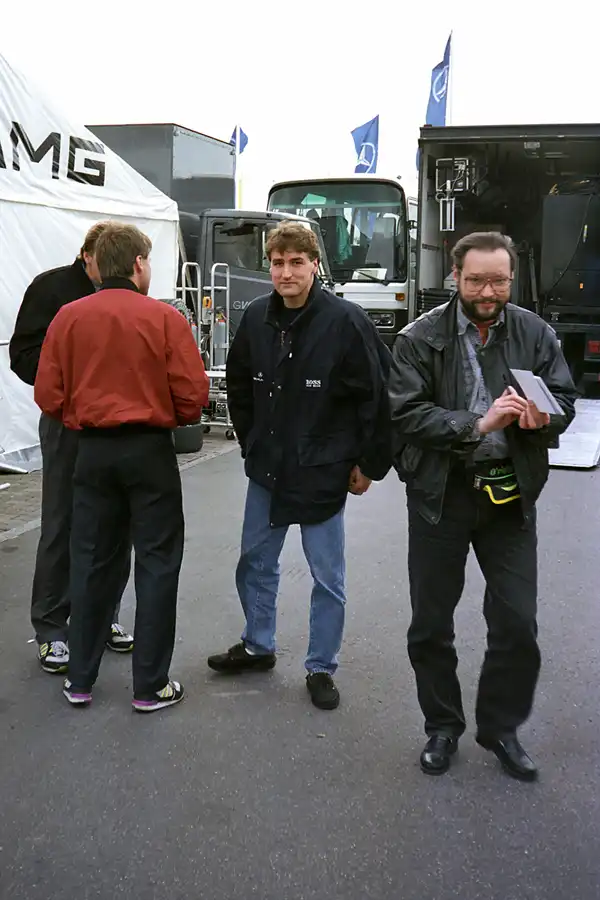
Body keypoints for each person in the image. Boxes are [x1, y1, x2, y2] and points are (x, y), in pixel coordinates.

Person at [389, 231, 578, 780]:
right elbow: (403, 413)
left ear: (512, 277)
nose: (488, 291)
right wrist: (477, 423)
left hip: (510, 496)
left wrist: (547, 418)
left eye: (498, 280)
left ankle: (500, 727)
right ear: (455, 276)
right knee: (431, 623)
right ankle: (442, 727)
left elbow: (564, 398)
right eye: (476, 280)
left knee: (517, 621)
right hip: (439, 496)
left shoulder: (534, 333)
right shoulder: (418, 338)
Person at [207, 222, 392, 710]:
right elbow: (240, 386)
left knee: (327, 578)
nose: (285, 272)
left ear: (315, 264)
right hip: (267, 469)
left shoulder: (346, 322)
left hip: (322, 472)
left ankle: (320, 666)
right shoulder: (255, 319)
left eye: (296, 262)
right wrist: (250, 443)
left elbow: (377, 397)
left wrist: (370, 463)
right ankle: (257, 644)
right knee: (254, 564)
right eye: (277, 262)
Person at [34, 223, 209, 713]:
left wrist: (82, 414)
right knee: (157, 562)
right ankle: (150, 685)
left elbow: (48, 395)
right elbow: (193, 397)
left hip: (90, 451)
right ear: (137, 264)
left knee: (89, 560)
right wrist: (162, 413)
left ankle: (80, 679)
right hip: (149, 450)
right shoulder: (164, 318)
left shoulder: (68, 318)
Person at [9, 222, 134, 674]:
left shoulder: (125, 289)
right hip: (67, 422)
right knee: (61, 521)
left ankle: (104, 618)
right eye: (108, 261)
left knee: (116, 524)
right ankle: (50, 627)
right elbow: (22, 354)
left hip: (118, 426)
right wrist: (69, 388)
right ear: (87, 255)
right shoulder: (53, 288)